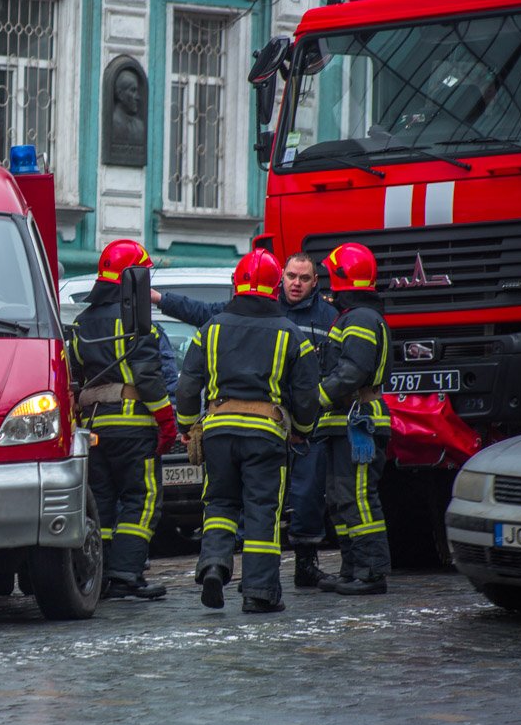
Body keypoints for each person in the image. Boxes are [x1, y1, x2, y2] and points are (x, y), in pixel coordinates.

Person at [151, 252, 338, 586]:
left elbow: (188, 385)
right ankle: (260, 591)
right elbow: (307, 394)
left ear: (236, 284)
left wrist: (188, 426)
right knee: (262, 510)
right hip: (267, 436)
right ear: (275, 284)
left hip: (219, 432)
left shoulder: (211, 328)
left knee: (220, 503)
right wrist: (302, 430)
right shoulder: (290, 334)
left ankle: (213, 566)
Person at [70, 239, 177, 599]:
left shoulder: (80, 324)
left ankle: (99, 575)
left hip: (95, 431)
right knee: (142, 500)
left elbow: (73, 380)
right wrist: (167, 422)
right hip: (135, 429)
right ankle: (128, 575)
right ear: (134, 279)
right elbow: (148, 378)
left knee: (101, 504)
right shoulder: (135, 322)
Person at [314, 243, 393, 595]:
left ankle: (372, 572)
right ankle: (351, 568)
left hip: (359, 420)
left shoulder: (360, 318)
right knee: (340, 497)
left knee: (359, 497)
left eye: (331, 274)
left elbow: (353, 371)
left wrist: (315, 398)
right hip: (343, 421)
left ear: (343, 278)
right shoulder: (351, 316)